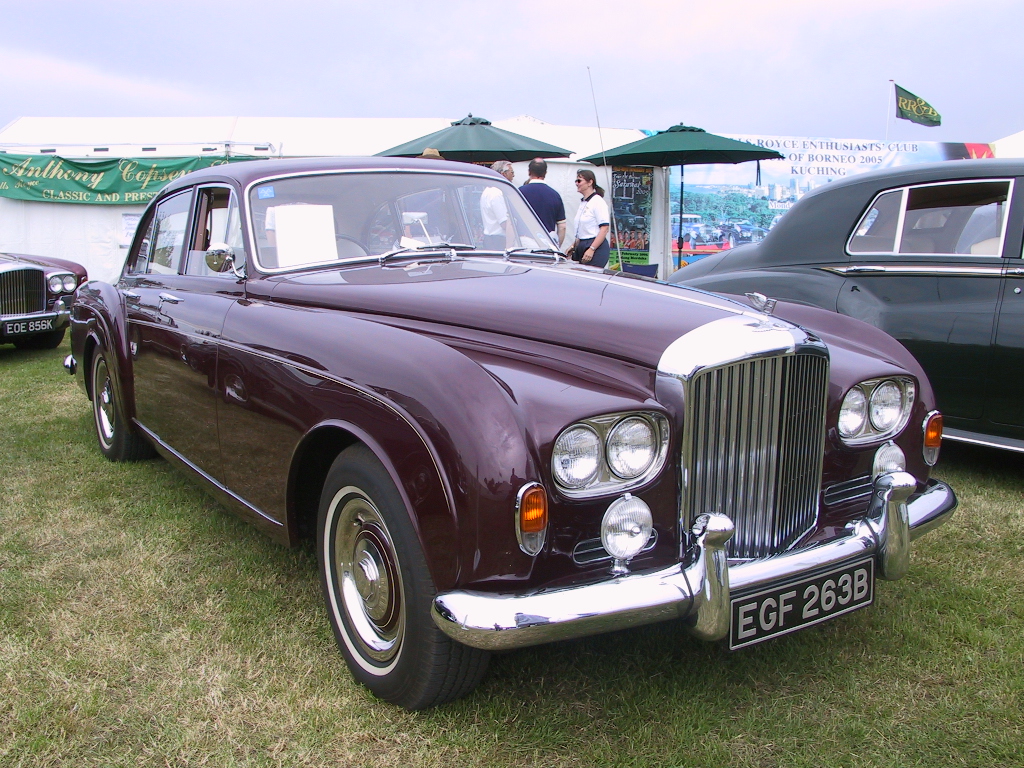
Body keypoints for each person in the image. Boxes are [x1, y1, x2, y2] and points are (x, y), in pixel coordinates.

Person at [567, 169, 610, 267]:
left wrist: (592, 248)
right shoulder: (584, 203)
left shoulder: (598, 202)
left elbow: (604, 229)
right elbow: (583, 230)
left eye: (579, 181)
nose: (577, 184)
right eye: (576, 181)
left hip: (595, 245)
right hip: (582, 243)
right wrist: (573, 246)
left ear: (590, 182)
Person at [518, 158, 566, 247]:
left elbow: (511, 222)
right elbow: (562, 227)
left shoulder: (519, 193)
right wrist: (557, 247)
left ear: (529, 172)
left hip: (524, 243)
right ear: (545, 173)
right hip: (547, 243)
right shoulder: (555, 195)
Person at [480, 160, 515, 250]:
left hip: (491, 238)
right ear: (504, 174)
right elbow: (504, 222)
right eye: (512, 172)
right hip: (498, 241)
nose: (513, 176)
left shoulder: (488, 191)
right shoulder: (497, 193)